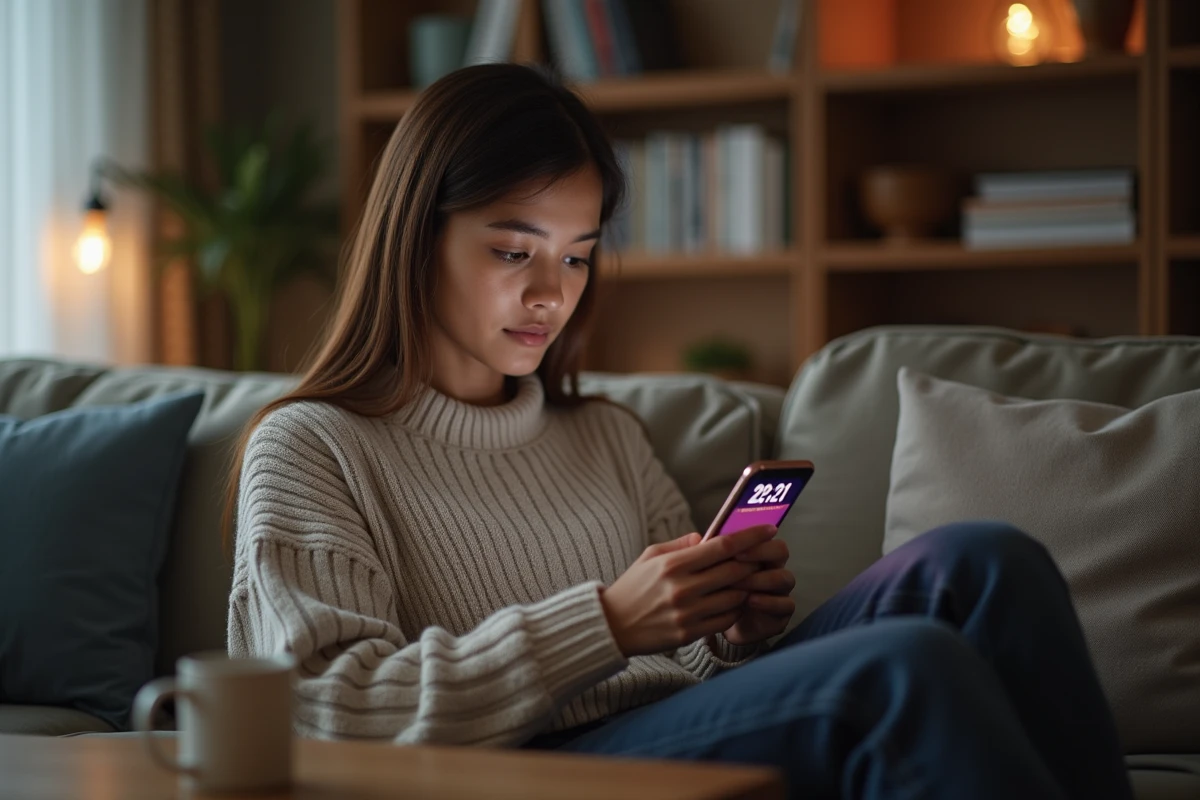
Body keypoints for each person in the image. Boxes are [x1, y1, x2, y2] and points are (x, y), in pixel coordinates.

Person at [224, 63, 1133, 799]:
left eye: (577, 257)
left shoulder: (605, 434)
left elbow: (692, 668)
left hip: (661, 728)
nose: (551, 293)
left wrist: (728, 627)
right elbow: (326, 709)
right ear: (415, 236)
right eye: (513, 251)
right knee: (900, 669)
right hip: (524, 766)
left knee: (984, 561)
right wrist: (606, 622)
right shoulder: (312, 446)